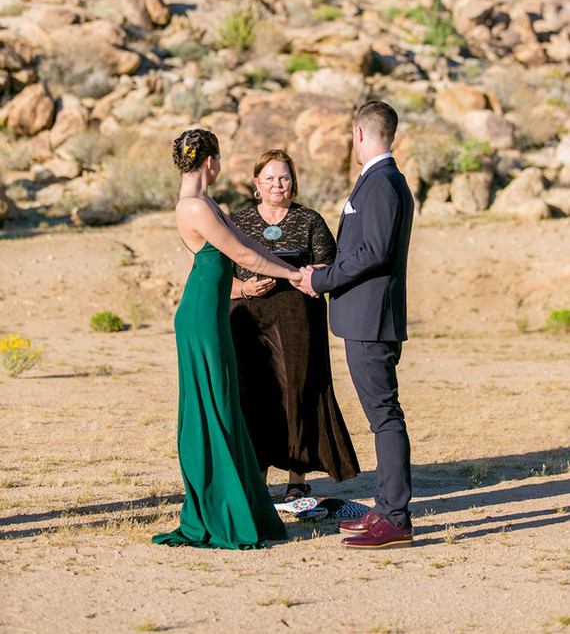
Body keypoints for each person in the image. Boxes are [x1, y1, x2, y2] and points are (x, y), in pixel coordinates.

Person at [152, 129, 306, 550]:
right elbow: (243, 256)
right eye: (218, 160)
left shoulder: (204, 204)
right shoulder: (193, 207)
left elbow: (248, 246)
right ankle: (217, 508)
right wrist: (295, 274)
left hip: (210, 313)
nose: (220, 167)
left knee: (223, 402)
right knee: (212, 405)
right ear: (209, 162)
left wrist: (287, 270)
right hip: (200, 318)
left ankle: (237, 500)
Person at [297, 101, 414, 549]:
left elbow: (373, 253)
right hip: (365, 316)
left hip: (372, 320)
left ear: (360, 134)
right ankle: (385, 509)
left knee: (384, 418)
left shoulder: (382, 182)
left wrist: (319, 279)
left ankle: (396, 519)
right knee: (381, 416)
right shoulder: (380, 180)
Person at [228, 149, 360, 502]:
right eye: (269, 178)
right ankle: (258, 476)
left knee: (297, 393)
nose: (277, 184)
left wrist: (309, 275)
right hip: (249, 324)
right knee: (255, 396)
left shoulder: (311, 221)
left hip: (299, 322)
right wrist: (244, 288)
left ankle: (296, 478)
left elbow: (331, 268)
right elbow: (217, 279)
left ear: (293, 183)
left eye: (283, 177)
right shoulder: (237, 224)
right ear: (257, 184)